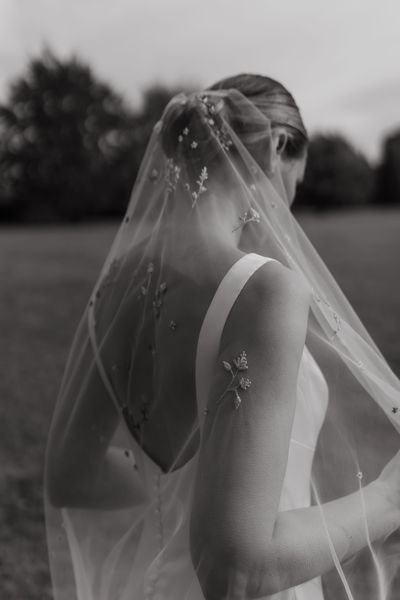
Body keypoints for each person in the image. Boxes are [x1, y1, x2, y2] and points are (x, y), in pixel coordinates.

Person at [44, 74, 400, 600]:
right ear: (277, 148)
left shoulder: (119, 285)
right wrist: (390, 498)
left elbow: (69, 476)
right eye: (293, 185)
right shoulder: (264, 290)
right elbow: (236, 571)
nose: (288, 209)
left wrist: (169, 489)